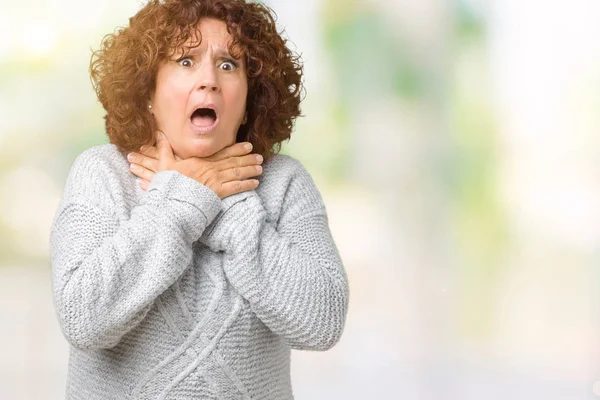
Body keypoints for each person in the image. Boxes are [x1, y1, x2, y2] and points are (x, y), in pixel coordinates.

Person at [49, 0, 349, 398]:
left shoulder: (283, 183)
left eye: (229, 65)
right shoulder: (101, 174)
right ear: (149, 91)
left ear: (249, 100)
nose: (209, 79)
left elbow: (322, 322)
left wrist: (223, 202)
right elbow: (82, 319)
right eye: (185, 60)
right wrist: (184, 200)